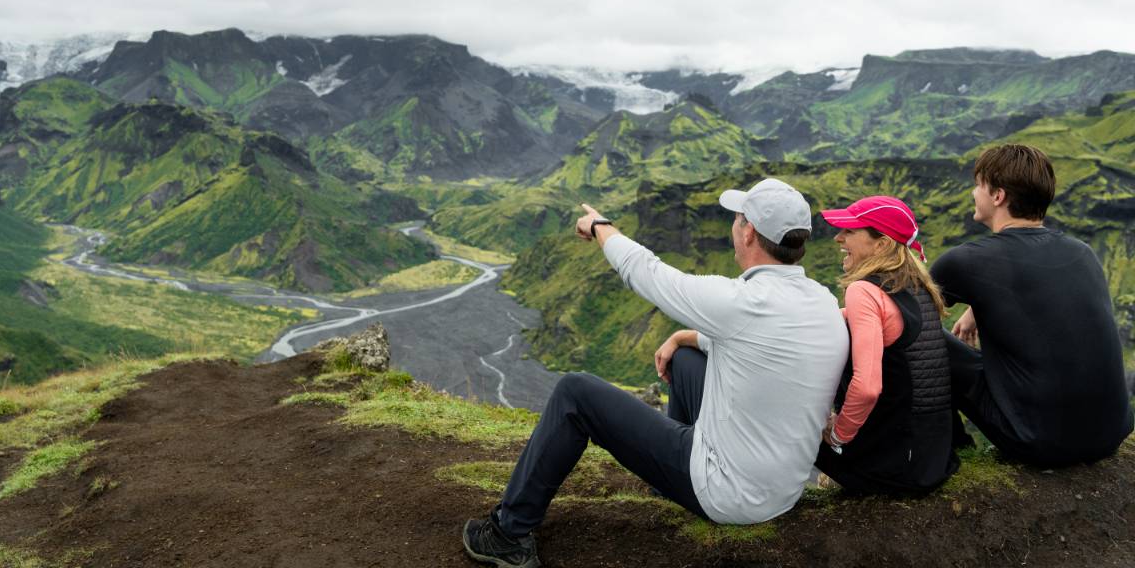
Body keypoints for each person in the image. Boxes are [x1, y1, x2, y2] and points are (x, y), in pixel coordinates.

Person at [462, 178, 849, 568]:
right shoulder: (821, 300)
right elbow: (761, 347)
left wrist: (600, 226)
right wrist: (683, 338)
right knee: (685, 360)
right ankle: (668, 485)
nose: (733, 226)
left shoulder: (743, 301)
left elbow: (647, 273)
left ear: (748, 232)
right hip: (783, 488)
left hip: (729, 494)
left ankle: (507, 534)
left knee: (574, 392)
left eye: (737, 218)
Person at [931, 144, 1133, 467]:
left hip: (1038, 442)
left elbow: (903, 313)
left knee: (925, 338)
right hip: (1112, 432)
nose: (973, 192)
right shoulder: (1082, 253)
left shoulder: (966, 261)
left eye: (978, 184)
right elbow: (1035, 293)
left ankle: (944, 450)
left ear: (998, 196)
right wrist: (975, 310)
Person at [813, 195, 959, 494]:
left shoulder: (863, 291)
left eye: (850, 232)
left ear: (881, 244)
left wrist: (838, 435)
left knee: (787, 426)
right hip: (933, 458)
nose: (838, 238)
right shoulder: (919, 286)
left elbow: (867, 387)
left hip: (891, 469)